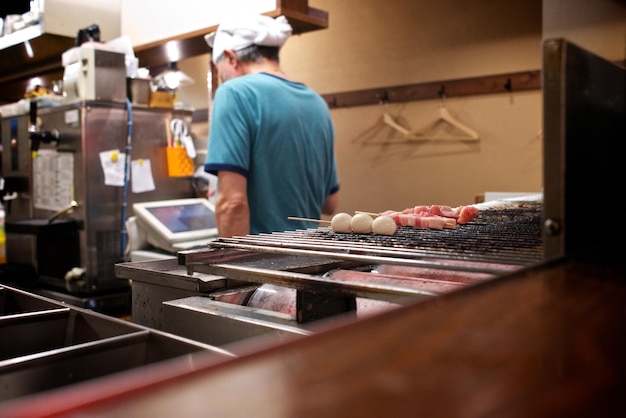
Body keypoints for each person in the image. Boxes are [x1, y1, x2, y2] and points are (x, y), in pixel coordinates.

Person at [203, 14, 340, 237]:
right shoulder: (317, 102)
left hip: (263, 262)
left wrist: (234, 269)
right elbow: (329, 203)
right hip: (310, 258)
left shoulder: (234, 92)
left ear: (231, 58)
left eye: (220, 71)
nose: (222, 79)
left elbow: (233, 203)